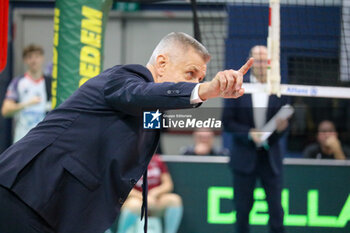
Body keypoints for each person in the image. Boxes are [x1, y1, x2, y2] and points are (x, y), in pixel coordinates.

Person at [0, 32, 253, 233]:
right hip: (28, 194)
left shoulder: (153, 111)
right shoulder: (126, 77)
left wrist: (211, 94)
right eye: (190, 73)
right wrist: (204, 91)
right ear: (162, 63)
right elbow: (140, 94)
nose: (195, 82)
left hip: (58, 210)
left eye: (200, 78)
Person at [222, 45, 289, 233]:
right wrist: (248, 133)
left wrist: (281, 129)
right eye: (257, 60)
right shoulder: (237, 87)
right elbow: (227, 122)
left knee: (276, 211)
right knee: (242, 212)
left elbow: (285, 121)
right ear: (250, 62)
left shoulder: (280, 89)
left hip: (271, 159)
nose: (261, 64)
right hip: (244, 159)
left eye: (265, 60)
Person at [109, 154, 183, 233]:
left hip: (154, 201)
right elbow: (123, 188)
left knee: (174, 200)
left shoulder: (157, 160)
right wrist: (143, 197)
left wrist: (155, 192)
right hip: (136, 201)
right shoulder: (127, 161)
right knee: (134, 205)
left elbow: (168, 184)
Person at [1, 44, 51, 143]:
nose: (34, 60)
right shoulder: (18, 82)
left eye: (37, 56)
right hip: (22, 139)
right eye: (30, 57)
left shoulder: (50, 83)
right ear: (25, 60)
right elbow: (5, 111)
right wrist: (27, 104)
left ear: (42, 58)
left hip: (43, 139)